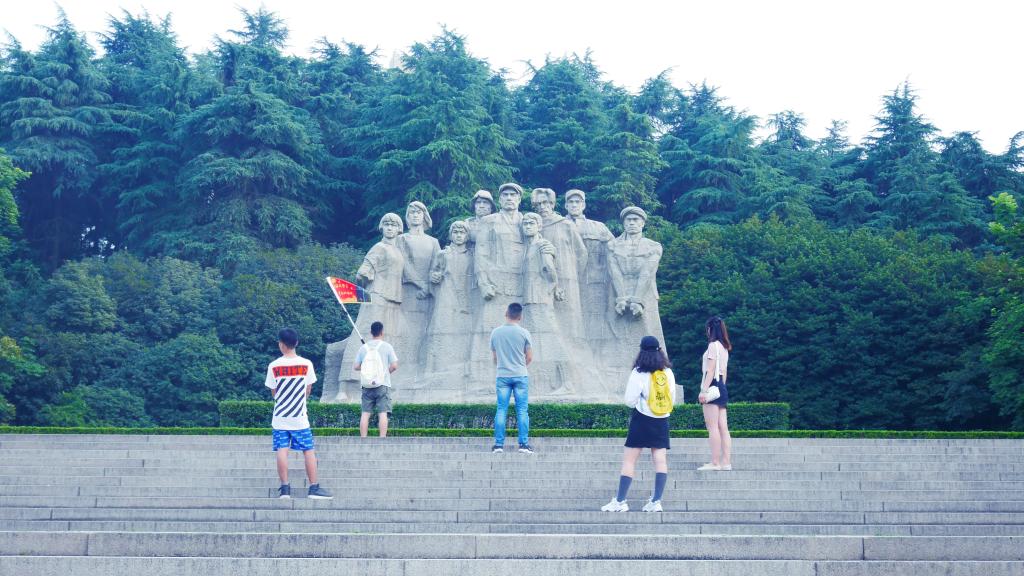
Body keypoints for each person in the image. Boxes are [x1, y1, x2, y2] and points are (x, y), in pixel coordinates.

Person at [601, 336, 677, 512]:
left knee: (629, 460)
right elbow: (671, 399)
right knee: (660, 460)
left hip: (642, 418)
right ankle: (656, 501)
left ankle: (620, 501)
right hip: (662, 418)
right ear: (660, 350)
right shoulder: (667, 372)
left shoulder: (639, 372)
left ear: (641, 351)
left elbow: (629, 400)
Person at [265, 328, 332, 499]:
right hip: (299, 417)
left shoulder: (274, 366)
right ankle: (313, 488)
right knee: (308, 450)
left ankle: (285, 489)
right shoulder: (306, 364)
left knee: (282, 450)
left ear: (281, 344)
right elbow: (308, 390)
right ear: (296, 343)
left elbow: (274, 392)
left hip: (280, 417)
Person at [490, 302, 535, 454]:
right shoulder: (524, 333)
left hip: (502, 376)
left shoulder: (495, 333)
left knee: (501, 410)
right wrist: (519, 366)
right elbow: (529, 357)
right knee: (522, 410)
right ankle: (523, 445)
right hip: (520, 375)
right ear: (520, 317)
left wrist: (504, 365)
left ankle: (498, 445)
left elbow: (495, 358)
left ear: (506, 313)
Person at [353, 321, 399, 438]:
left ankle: (363, 438)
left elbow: (356, 366)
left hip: (367, 385)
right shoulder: (387, 347)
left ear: (371, 332)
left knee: (365, 413)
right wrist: (384, 373)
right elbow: (394, 365)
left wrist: (368, 369)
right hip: (383, 384)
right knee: (383, 413)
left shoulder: (363, 348)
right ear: (382, 332)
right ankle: (382, 438)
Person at [698, 316, 732, 471]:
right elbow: (724, 371)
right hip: (721, 386)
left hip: (712, 385)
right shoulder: (724, 347)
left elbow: (710, 370)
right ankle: (726, 462)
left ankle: (715, 462)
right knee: (723, 427)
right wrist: (721, 388)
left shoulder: (712, 346)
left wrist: (704, 390)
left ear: (710, 329)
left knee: (712, 427)